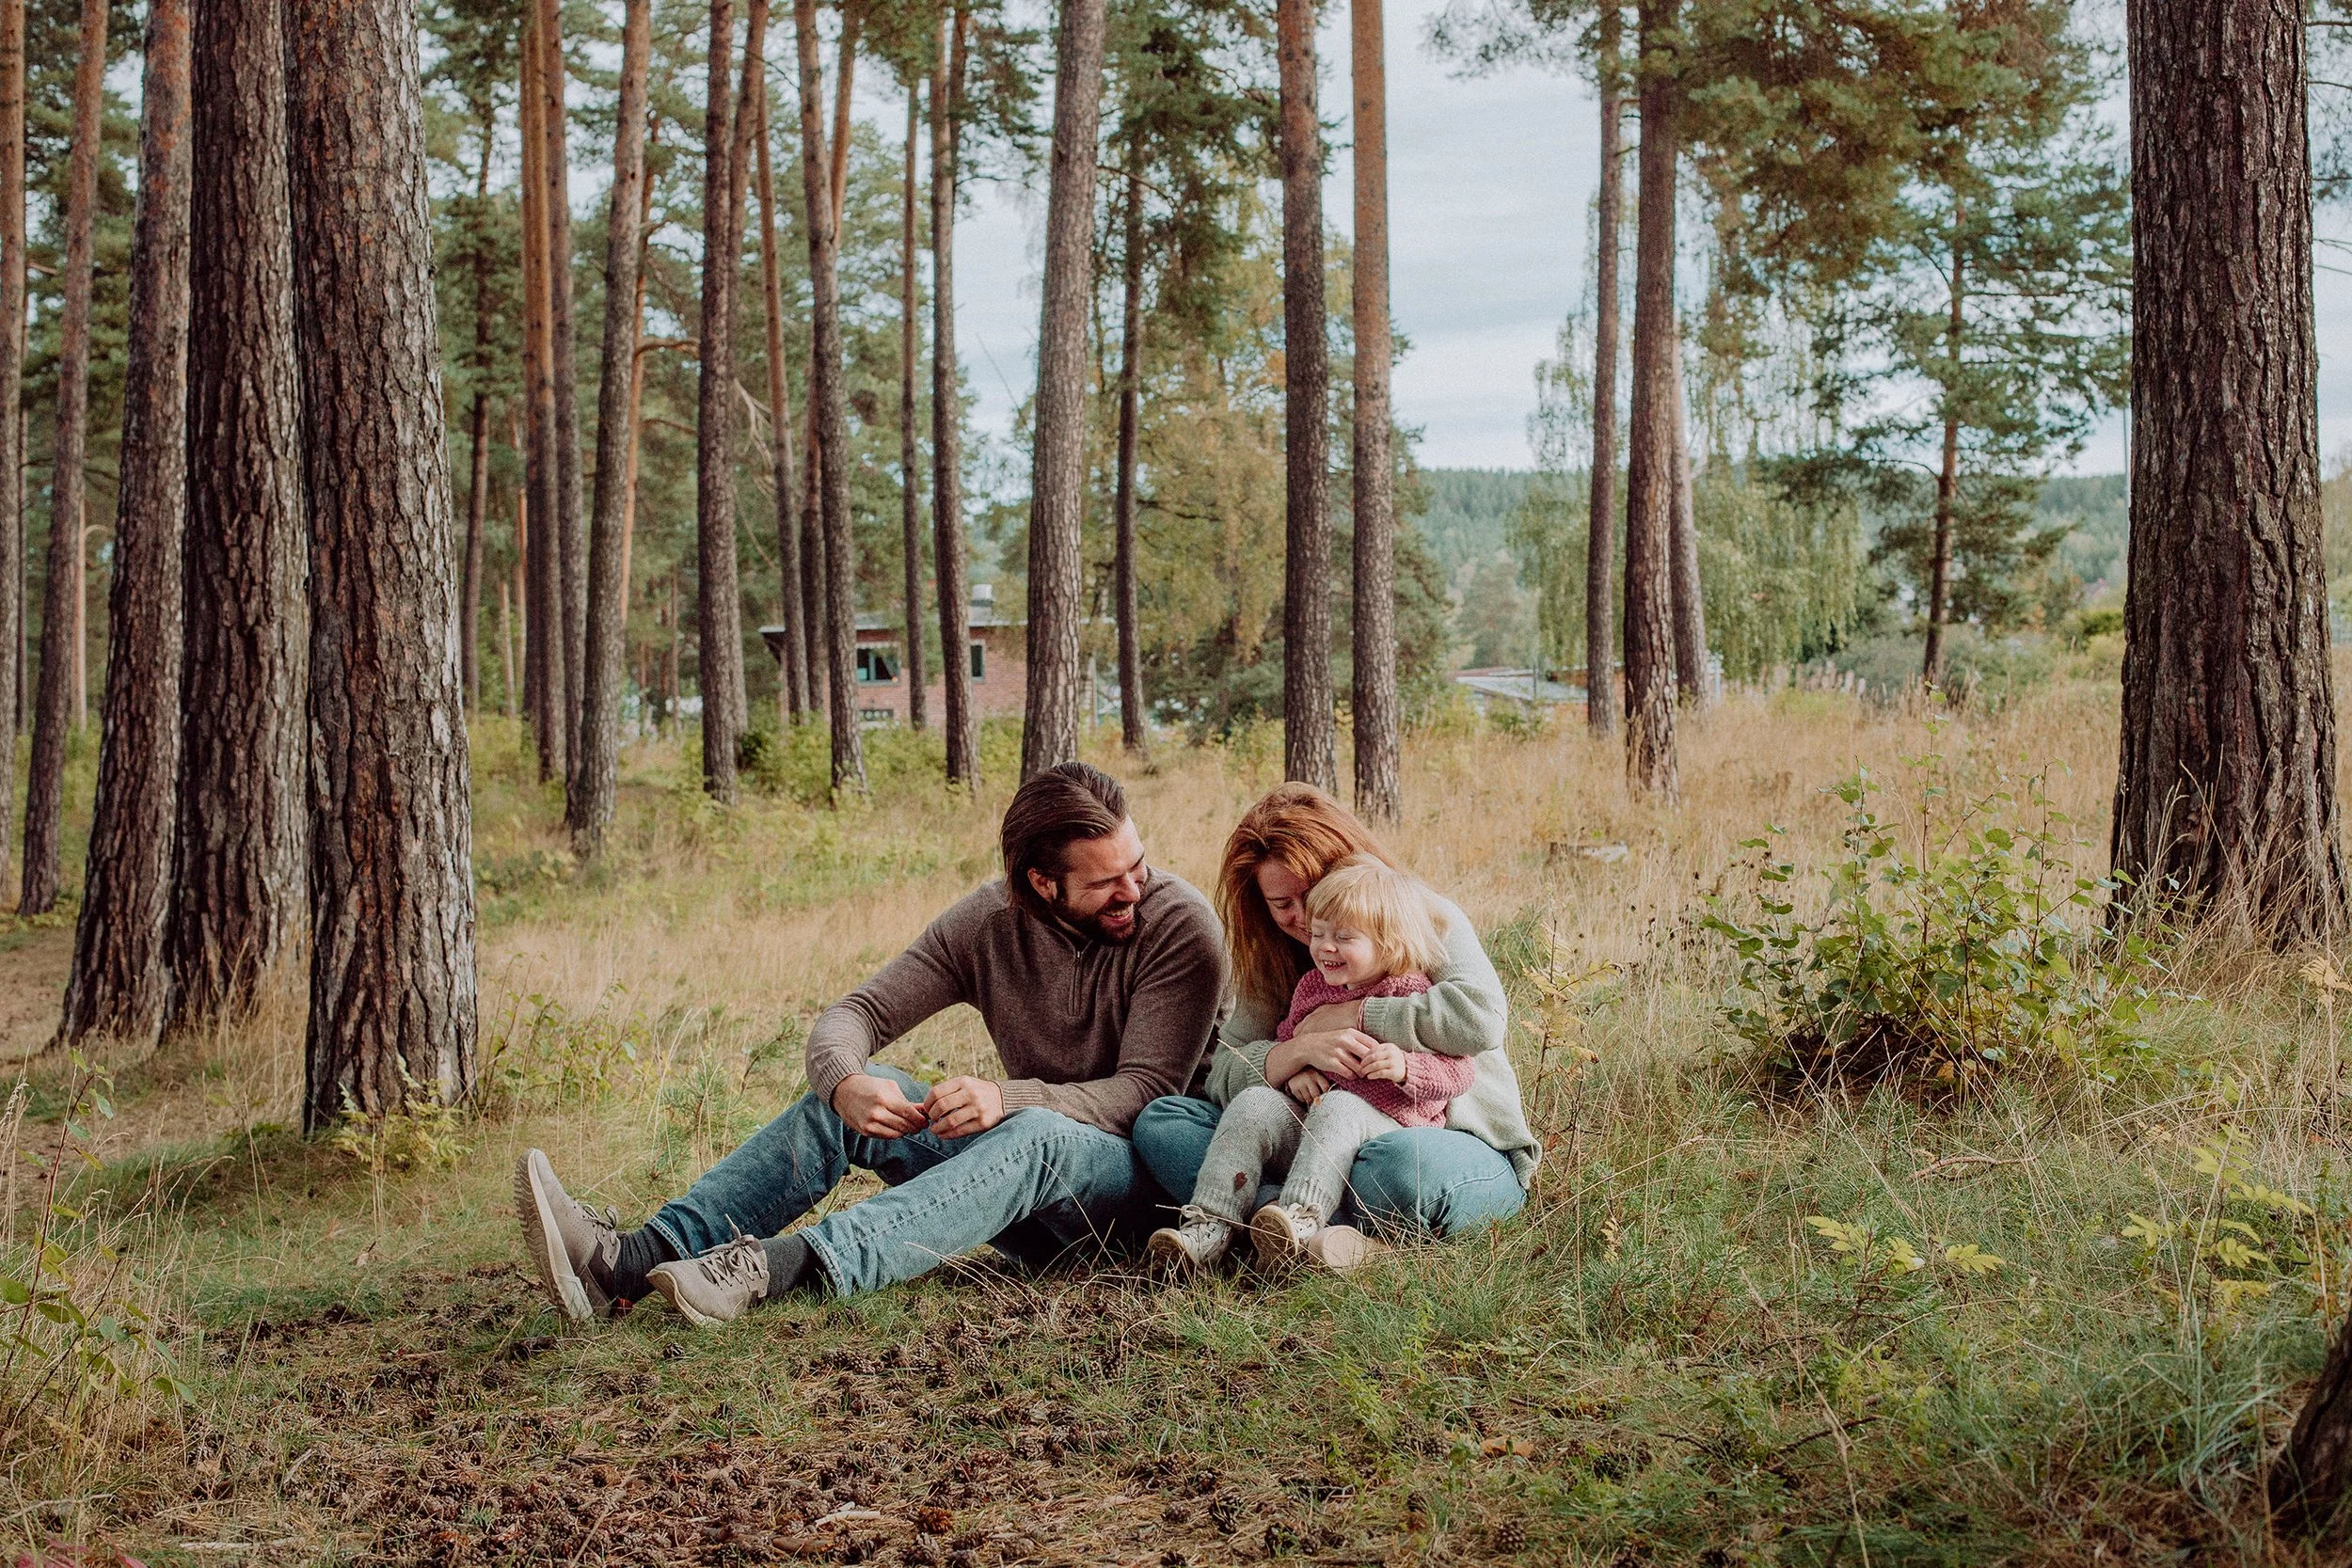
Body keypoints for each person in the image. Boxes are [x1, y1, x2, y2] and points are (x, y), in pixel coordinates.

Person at [515, 762, 1229, 1324]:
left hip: (1140, 1208)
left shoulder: (1180, 926)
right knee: (857, 1093)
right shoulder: (986, 923)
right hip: (1021, 1203)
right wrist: (845, 1083)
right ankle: (627, 1262)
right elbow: (851, 1015)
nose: (1135, 888)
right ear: (1042, 882)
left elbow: (1143, 1095)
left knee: (1036, 1131)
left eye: (1140, 864)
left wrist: (1001, 1096)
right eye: (1107, 881)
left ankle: (780, 1267)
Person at [1130, 784, 1538, 1269]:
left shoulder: (1418, 918)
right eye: (1283, 904)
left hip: (1443, 1146)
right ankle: (1301, 1233)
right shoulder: (1284, 962)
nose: (1304, 920)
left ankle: (1281, 1221)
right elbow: (1224, 1075)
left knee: (1396, 1171)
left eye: (1314, 892)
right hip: (1316, 1134)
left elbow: (1480, 1019)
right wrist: (1296, 1053)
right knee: (1163, 1123)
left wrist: (1359, 1014)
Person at [1148, 856, 1482, 1271]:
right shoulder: (1312, 987)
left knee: (1341, 1107)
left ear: (1389, 942)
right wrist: (1298, 1071)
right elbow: (1290, 1038)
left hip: (1390, 1129)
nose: (1324, 947)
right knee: (1253, 1102)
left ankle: (1299, 1222)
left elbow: (1460, 1072)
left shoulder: (1409, 992)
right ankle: (1209, 1227)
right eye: (1319, 933)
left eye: (1343, 937)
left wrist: (1405, 1068)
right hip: (1316, 1123)